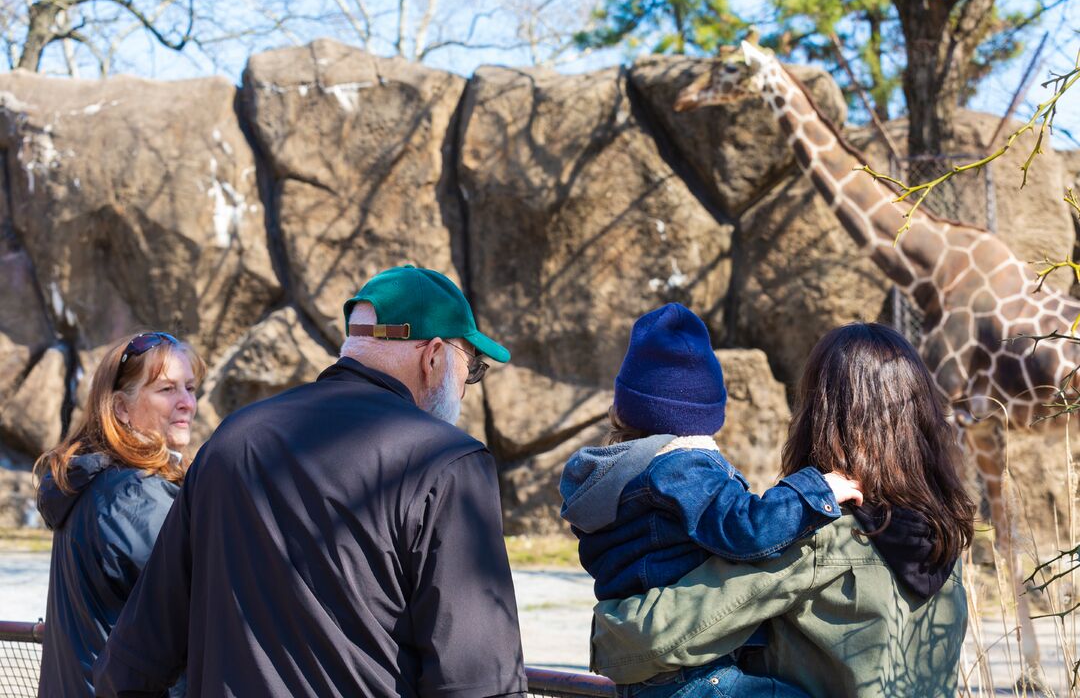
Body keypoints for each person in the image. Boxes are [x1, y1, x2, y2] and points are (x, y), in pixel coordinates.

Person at [93, 265, 528, 698]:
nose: (466, 389)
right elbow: (480, 683)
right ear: (432, 357)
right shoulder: (445, 461)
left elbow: (133, 661)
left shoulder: (232, 440)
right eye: (470, 369)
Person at [590, 322, 976, 697]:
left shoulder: (818, 537)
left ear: (818, 416)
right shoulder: (946, 538)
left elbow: (653, 638)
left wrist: (606, 630)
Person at [559, 303, 864, 698]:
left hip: (645, 670)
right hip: (694, 673)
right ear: (707, 414)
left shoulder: (616, 477)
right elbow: (745, 528)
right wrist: (818, 491)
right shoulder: (682, 467)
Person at [35, 331, 205, 697]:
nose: (187, 403)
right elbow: (209, 611)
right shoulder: (134, 500)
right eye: (166, 390)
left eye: (190, 388)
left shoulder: (91, 484)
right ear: (121, 409)